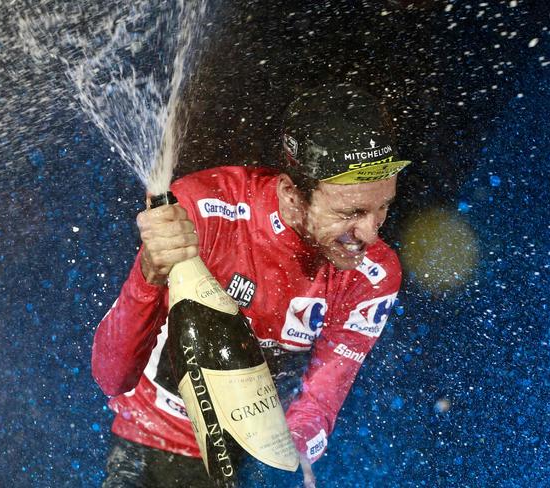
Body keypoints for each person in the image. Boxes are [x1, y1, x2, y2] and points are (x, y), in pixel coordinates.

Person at [92, 83, 411, 487]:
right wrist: (147, 275)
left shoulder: (375, 272)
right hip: (147, 440)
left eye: (384, 207)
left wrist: (293, 448)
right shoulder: (203, 212)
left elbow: (320, 400)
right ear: (293, 196)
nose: (369, 233)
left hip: (239, 458)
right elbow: (110, 376)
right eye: (352, 212)